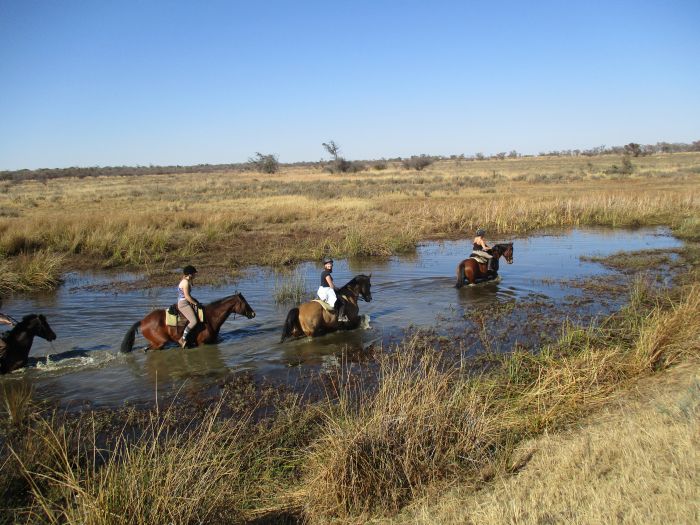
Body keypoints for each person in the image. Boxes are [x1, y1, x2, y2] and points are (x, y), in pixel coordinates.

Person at [317, 257, 349, 322]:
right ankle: (341, 317)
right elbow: (331, 286)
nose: (330, 265)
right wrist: (336, 290)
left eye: (331, 264)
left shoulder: (323, 272)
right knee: (343, 301)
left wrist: (337, 288)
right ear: (325, 265)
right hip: (327, 291)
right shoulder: (327, 274)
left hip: (323, 290)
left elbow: (330, 284)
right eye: (328, 264)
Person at [177, 265, 202, 348]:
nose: (195, 275)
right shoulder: (186, 283)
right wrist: (195, 303)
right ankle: (182, 339)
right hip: (184, 304)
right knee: (194, 321)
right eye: (194, 273)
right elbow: (187, 297)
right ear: (190, 274)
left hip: (185, 302)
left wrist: (196, 301)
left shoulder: (185, 281)